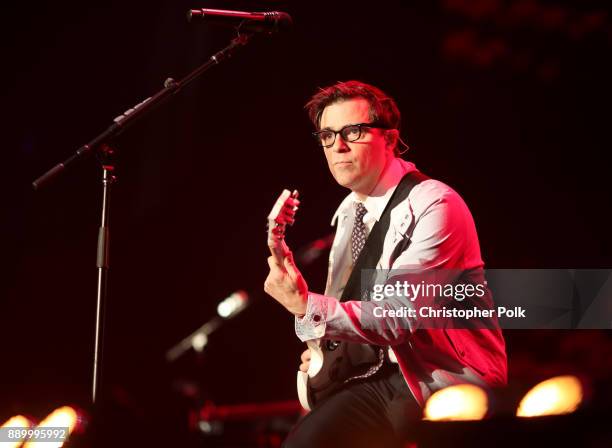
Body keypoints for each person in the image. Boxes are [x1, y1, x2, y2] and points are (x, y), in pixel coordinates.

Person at [264, 80, 507, 447]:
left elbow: (398, 316)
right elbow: (354, 310)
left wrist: (305, 305)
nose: (338, 146)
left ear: (391, 140)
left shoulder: (437, 205)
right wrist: (324, 354)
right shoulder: (350, 212)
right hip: (376, 381)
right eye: (327, 135)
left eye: (354, 131)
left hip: (441, 382)